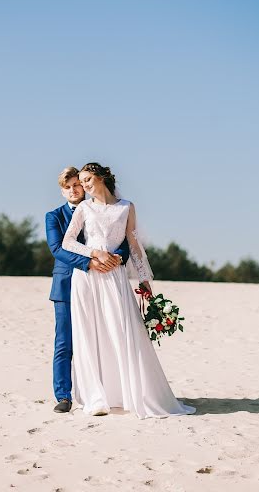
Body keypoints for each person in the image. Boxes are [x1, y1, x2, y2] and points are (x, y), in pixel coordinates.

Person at [62, 162, 196, 419]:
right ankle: (97, 397)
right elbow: (68, 241)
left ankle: (127, 393)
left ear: (102, 178)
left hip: (114, 276)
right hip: (87, 276)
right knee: (90, 334)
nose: (84, 185)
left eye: (88, 179)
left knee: (119, 330)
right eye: (82, 181)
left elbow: (133, 244)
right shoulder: (84, 208)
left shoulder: (126, 207)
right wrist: (94, 252)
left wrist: (144, 278)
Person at [45, 167, 130, 414]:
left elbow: (121, 240)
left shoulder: (98, 209)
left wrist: (118, 258)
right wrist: (89, 262)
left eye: (76, 185)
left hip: (101, 284)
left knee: (99, 338)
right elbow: (57, 249)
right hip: (66, 284)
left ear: (83, 186)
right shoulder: (54, 216)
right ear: (62, 191)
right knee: (64, 342)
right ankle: (63, 395)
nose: (73, 190)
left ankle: (101, 391)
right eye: (67, 187)